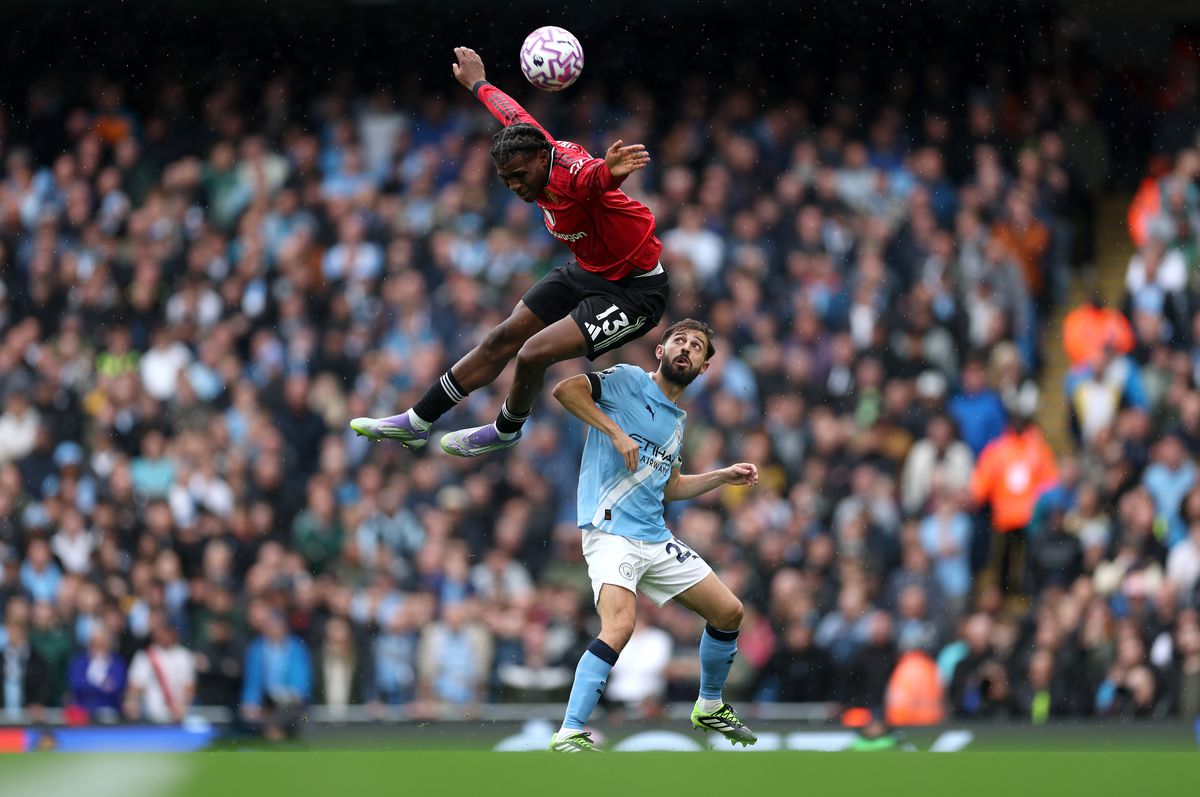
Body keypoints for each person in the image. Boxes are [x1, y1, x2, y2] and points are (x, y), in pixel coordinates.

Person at [351, 46, 667, 458]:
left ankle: (505, 430)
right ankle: (418, 421)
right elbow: (513, 114)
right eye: (505, 179)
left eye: (519, 177)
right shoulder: (535, 145)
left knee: (533, 352)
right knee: (502, 337)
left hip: (634, 292)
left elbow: (593, 178)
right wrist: (478, 83)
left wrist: (609, 171)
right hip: (591, 270)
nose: (515, 186)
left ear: (541, 159)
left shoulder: (572, 177)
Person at [545, 319, 759, 751]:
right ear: (660, 351)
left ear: (703, 369)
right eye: (679, 340)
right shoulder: (627, 380)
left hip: (653, 535)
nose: (686, 348)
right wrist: (615, 431)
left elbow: (672, 487)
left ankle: (710, 704)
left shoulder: (678, 422)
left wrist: (721, 476)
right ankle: (569, 731)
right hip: (611, 531)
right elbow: (565, 389)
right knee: (620, 625)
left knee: (729, 612)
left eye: (697, 346)